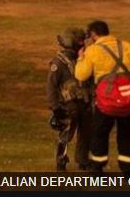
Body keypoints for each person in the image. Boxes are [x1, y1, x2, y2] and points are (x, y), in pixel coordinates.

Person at [75, 20, 130, 175]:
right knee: (125, 135)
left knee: (99, 134)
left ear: (94, 34)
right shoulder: (127, 46)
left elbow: (81, 75)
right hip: (128, 102)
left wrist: (81, 58)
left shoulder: (93, 51)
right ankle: (128, 169)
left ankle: (97, 167)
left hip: (106, 103)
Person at [47, 27, 93, 171]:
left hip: (84, 102)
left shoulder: (84, 60)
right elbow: (51, 87)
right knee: (66, 135)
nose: (83, 44)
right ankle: (61, 161)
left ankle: (83, 161)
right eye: (80, 41)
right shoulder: (58, 63)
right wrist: (55, 107)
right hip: (68, 106)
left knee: (86, 134)